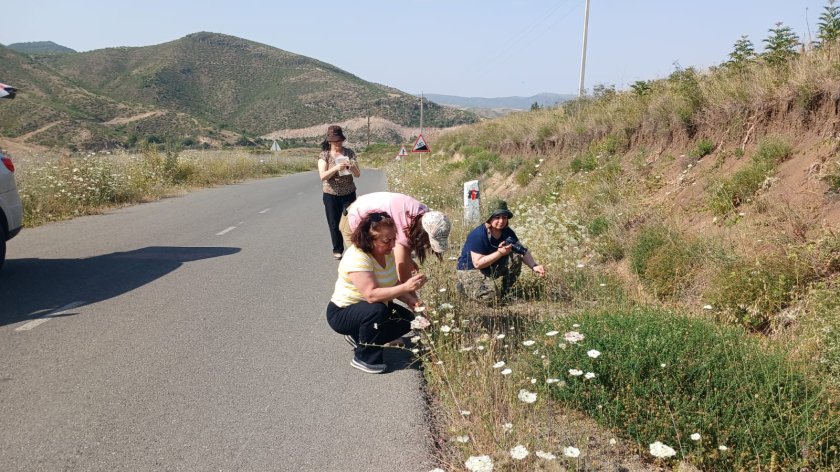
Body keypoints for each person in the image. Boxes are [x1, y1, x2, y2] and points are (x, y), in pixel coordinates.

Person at [326, 212, 428, 374]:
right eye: (387, 241)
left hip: (368, 309)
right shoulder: (357, 257)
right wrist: (406, 288)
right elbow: (371, 295)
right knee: (377, 311)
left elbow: (392, 282)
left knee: (407, 320)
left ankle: (359, 337)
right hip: (342, 312)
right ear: (369, 239)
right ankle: (365, 358)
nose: (392, 245)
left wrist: (410, 300)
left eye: (394, 239)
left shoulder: (387, 254)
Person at [340, 192, 451, 285]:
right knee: (368, 276)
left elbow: (401, 255)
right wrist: (416, 303)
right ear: (423, 233)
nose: (427, 244)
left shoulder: (424, 216)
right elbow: (403, 276)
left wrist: (408, 260)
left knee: (383, 275)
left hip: (372, 221)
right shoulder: (403, 225)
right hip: (354, 219)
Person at [456, 200, 546, 304]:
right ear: (489, 218)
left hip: (490, 265)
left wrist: (534, 266)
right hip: (470, 269)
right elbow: (477, 264)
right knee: (490, 299)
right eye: (497, 217)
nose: (501, 221)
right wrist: (500, 253)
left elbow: (522, 250)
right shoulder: (478, 235)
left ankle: (506, 293)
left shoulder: (507, 231)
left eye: (504, 217)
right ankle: (464, 287)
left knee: (516, 256)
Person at [318, 125, 360, 259]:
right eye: (335, 141)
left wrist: (352, 168)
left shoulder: (349, 153)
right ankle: (337, 249)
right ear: (330, 141)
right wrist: (336, 168)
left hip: (349, 192)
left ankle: (355, 248)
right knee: (334, 223)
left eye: (340, 140)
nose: (338, 143)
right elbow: (322, 176)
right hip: (331, 194)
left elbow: (358, 174)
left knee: (351, 222)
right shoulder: (324, 155)